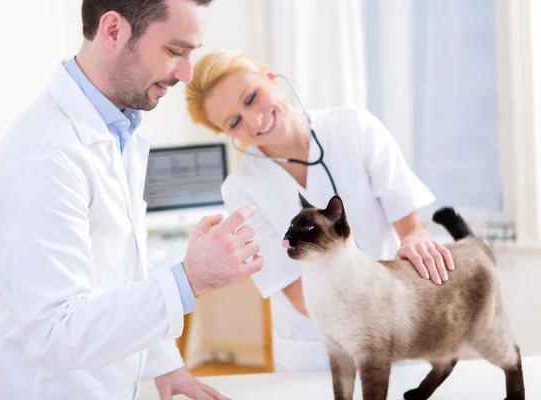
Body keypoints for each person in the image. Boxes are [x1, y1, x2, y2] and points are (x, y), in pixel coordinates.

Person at [0, 3, 263, 400]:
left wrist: (166, 363)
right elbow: (55, 332)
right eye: (175, 51)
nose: (186, 73)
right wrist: (190, 278)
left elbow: (124, 267)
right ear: (112, 31)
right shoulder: (43, 157)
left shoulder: (116, 127)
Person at [185, 50, 455, 372]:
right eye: (234, 122)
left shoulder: (354, 128)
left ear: (271, 78)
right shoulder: (241, 189)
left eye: (252, 97)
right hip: (317, 348)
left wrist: (416, 242)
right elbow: (297, 294)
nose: (256, 120)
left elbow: (412, 229)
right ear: (227, 134)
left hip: (399, 329)